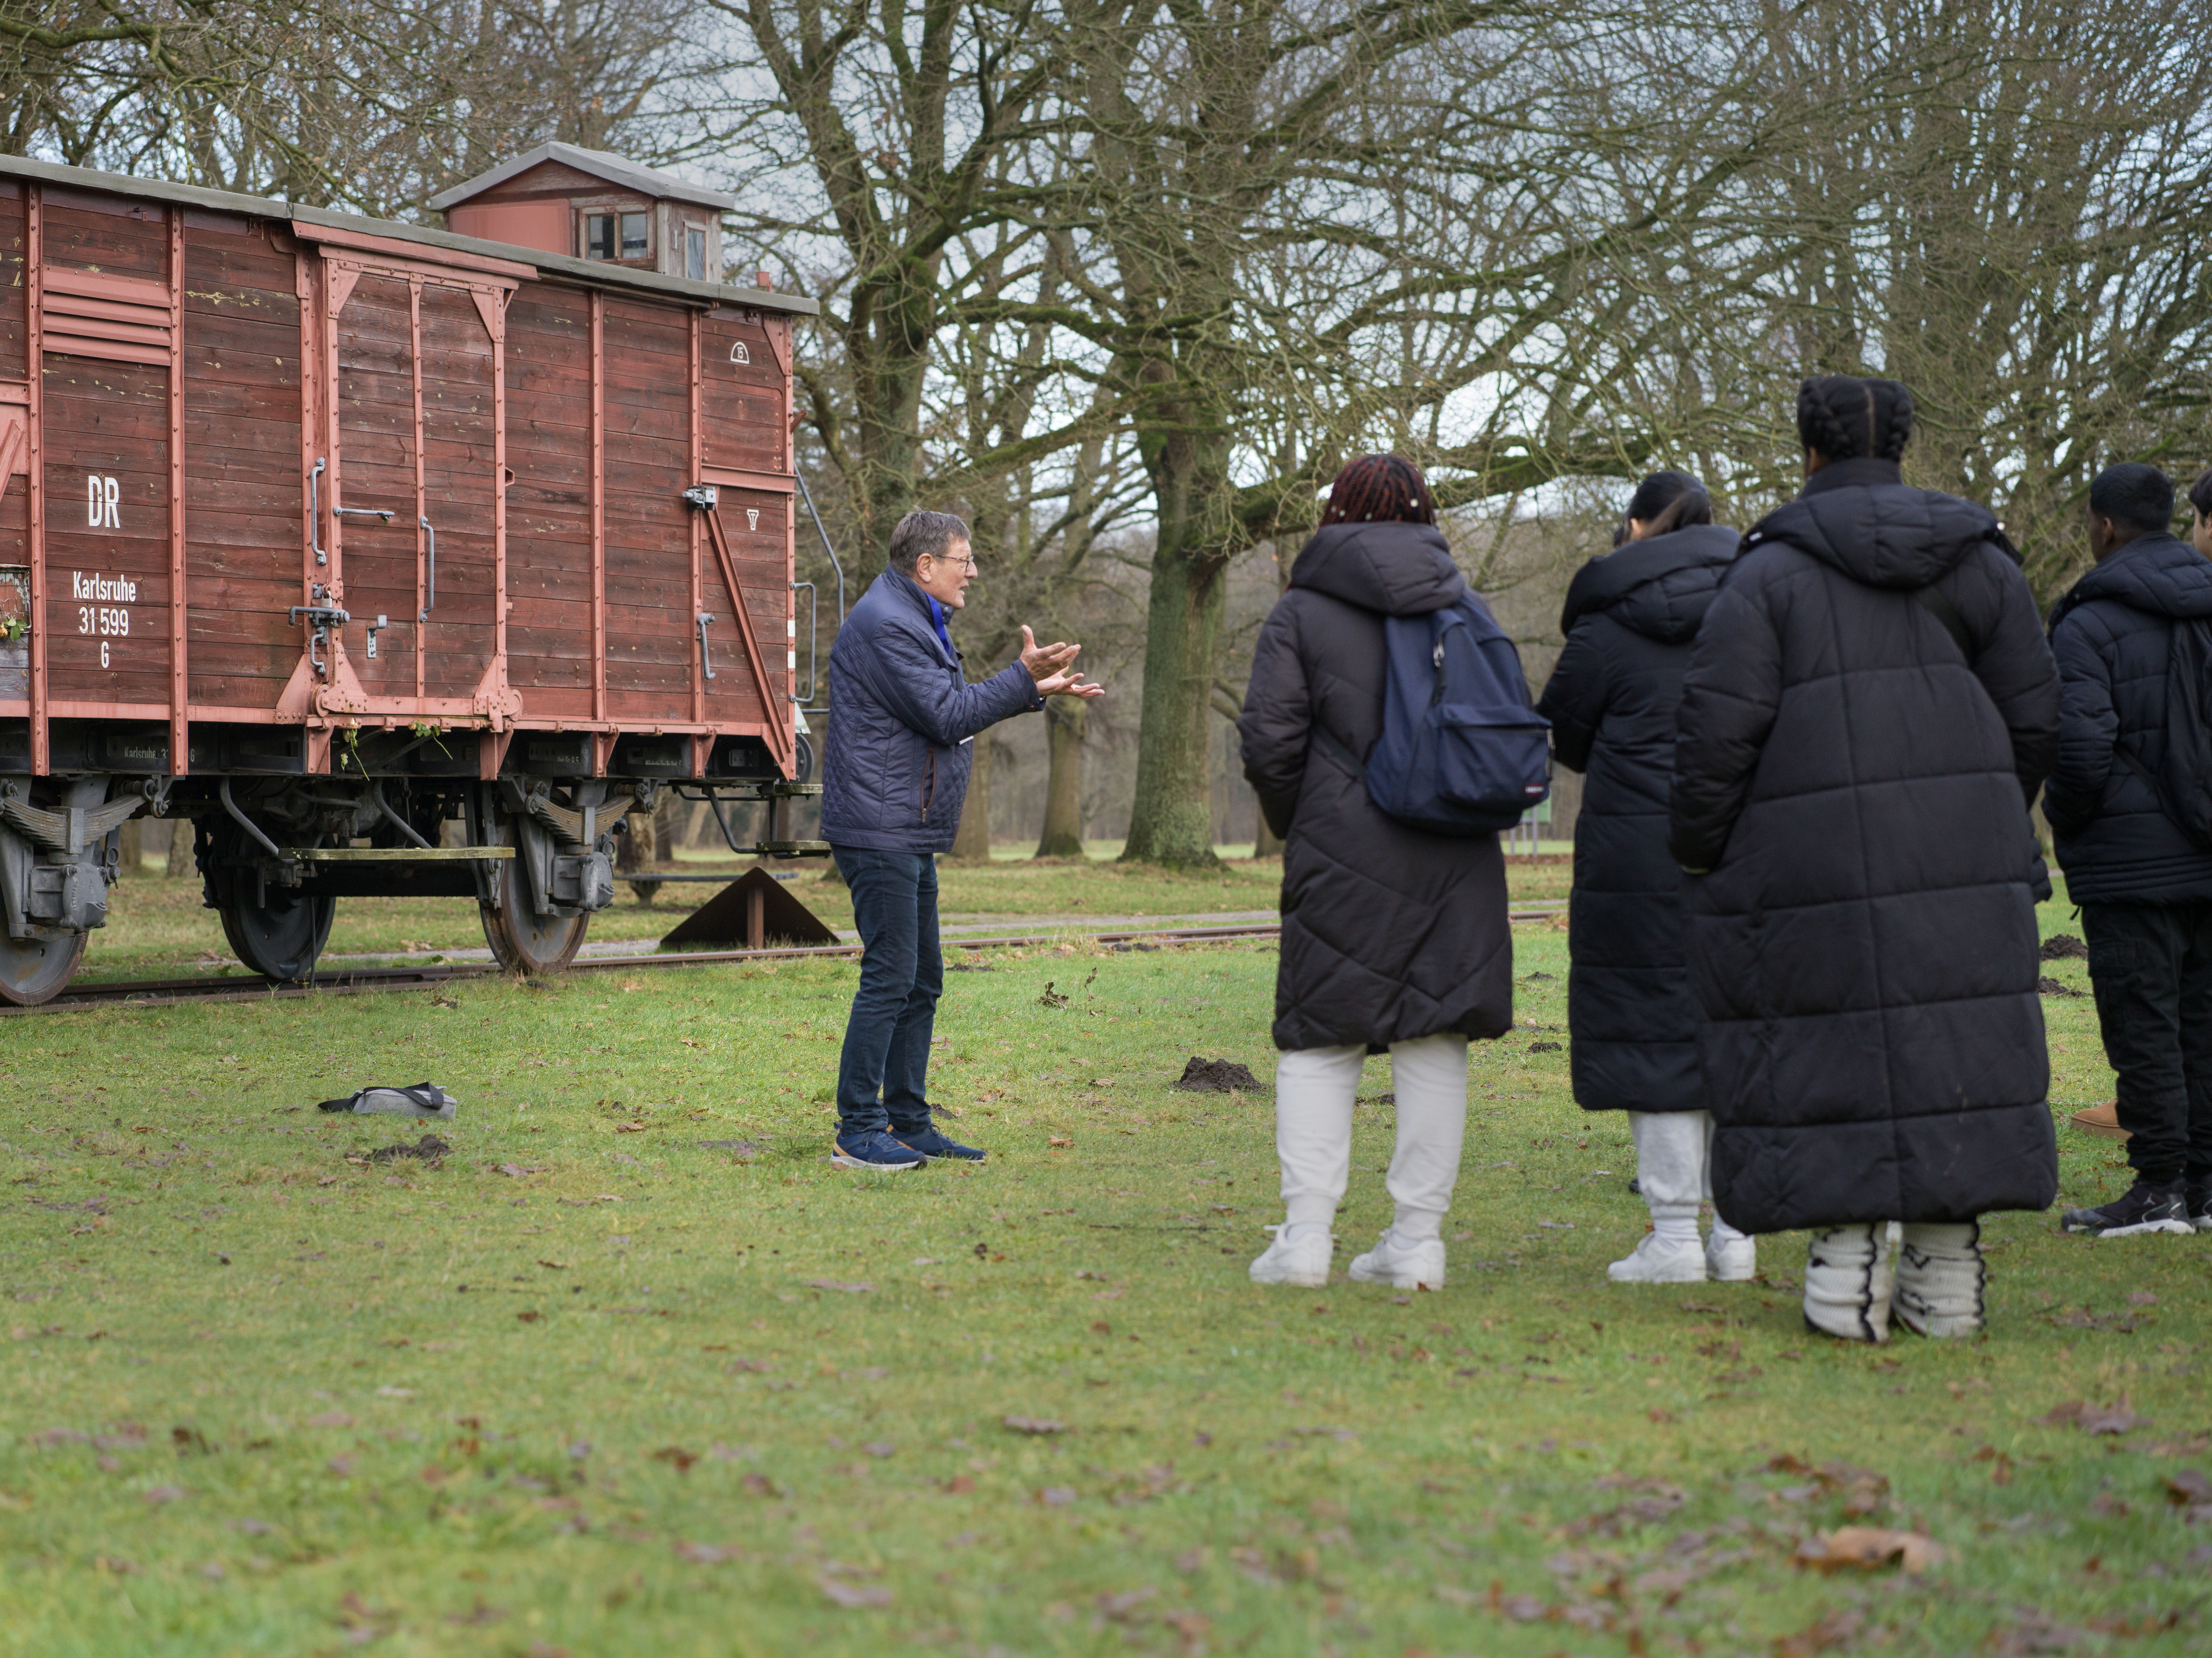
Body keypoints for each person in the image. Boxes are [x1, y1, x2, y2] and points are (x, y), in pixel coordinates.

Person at [1669, 376, 2060, 1343]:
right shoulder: (1982, 563)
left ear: (1809, 452)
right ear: (1905, 447)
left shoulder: (1768, 574)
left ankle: (1841, 1274)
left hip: (1804, 859)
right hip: (1962, 846)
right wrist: (1984, 815)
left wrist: (1702, 848)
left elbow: (1717, 736)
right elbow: (2037, 716)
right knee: (1955, 1044)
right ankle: (1947, 1267)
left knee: (1821, 1044)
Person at [1237, 455, 1514, 1290]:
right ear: (1425, 512)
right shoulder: (1466, 606)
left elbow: (1269, 743)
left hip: (1343, 848)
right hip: (1455, 850)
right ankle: (1417, 1243)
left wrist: (1303, 820)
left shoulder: (1301, 611)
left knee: (1322, 1042)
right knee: (1436, 1039)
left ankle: (1306, 1240)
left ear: (1339, 514)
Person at [819, 510, 1103, 1171]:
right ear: (926, 566)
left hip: (904, 825)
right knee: (891, 976)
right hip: (881, 827)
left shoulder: (914, 617)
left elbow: (948, 710)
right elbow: (947, 716)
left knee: (922, 977)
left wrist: (1028, 686)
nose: (973, 572)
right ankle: (857, 1129)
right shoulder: (889, 623)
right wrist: (1022, 681)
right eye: (963, 559)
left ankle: (909, 1120)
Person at [1537, 471, 1750, 1284]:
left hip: (1635, 850)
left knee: (1650, 1028)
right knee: (1738, 1026)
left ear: (1634, 528)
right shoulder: (1760, 604)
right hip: (1743, 842)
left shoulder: (1605, 622)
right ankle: (1738, 1232)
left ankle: (1672, 1237)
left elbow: (1567, 735)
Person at [2044, 464, 2212, 1236]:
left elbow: (2080, 749)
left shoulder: (2087, 620)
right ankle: (2204, 1189)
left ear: (2105, 526)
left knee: (2144, 1023)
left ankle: (2160, 1186)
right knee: (2203, 1023)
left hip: (2132, 860)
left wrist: (2072, 820)